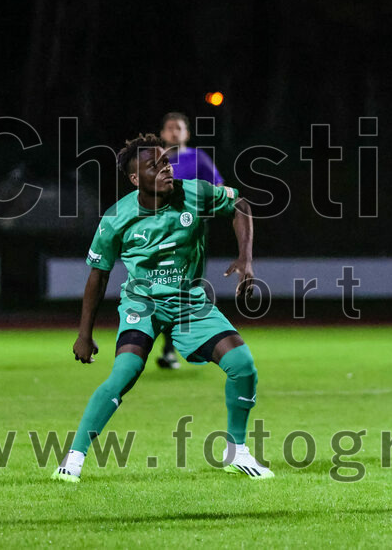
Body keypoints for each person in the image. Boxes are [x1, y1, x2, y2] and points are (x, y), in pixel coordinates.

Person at [53, 134, 271, 482]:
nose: (166, 169)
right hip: (143, 302)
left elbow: (240, 205)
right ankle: (73, 458)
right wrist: (84, 334)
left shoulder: (195, 194)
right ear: (136, 179)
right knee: (124, 374)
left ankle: (237, 452)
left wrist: (245, 258)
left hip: (188, 302)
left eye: (166, 162)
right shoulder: (116, 218)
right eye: (154, 166)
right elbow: (98, 277)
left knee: (243, 366)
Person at [156, 112, 225, 369]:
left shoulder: (197, 158)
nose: (174, 132)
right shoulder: (155, 159)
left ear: (187, 134)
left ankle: (189, 344)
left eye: (179, 128)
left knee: (191, 288)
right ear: (162, 133)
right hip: (160, 233)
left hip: (191, 234)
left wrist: (201, 212)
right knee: (164, 288)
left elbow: (218, 188)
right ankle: (168, 347)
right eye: (170, 128)